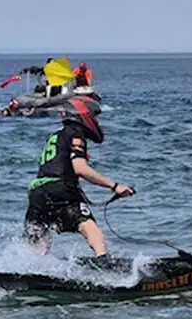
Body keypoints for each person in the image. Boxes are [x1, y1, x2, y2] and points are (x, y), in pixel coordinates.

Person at [23, 94, 134, 256]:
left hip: (36, 191)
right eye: (95, 117)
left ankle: (32, 267)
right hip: (59, 188)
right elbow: (80, 168)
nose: (97, 122)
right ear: (84, 115)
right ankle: (103, 260)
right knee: (89, 227)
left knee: (39, 241)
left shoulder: (56, 136)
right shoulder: (76, 134)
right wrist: (115, 186)